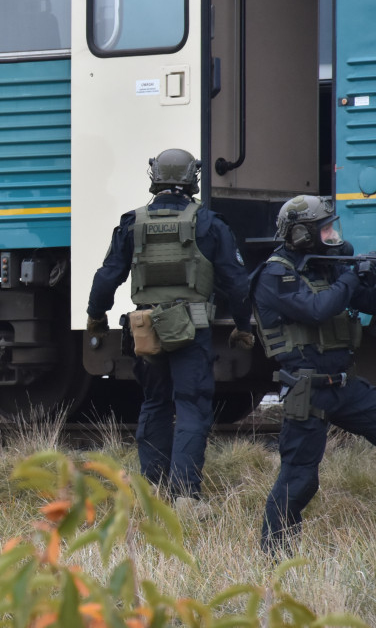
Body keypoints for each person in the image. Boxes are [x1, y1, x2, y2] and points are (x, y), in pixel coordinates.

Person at [86, 148, 254, 510]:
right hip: (192, 331)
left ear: (155, 177)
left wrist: (96, 316)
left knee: (154, 403)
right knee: (191, 407)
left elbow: (106, 278)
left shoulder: (132, 222)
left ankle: (151, 492)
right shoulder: (209, 223)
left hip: (146, 331)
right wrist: (242, 326)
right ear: (191, 179)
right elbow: (237, 284)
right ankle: (185, 496)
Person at [251, 195, 376, 555]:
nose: (333, 234)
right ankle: (275, 555)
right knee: (300, 480)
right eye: (325, 229)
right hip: (308, 390)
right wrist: (353, 277)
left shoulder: (327, 266)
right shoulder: (275, 275)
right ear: (303, 234)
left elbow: (366, 302)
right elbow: (317, 309)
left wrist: (368, 277)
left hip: (343, 384)